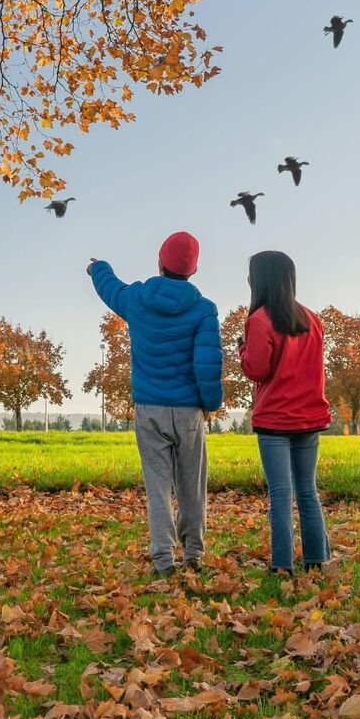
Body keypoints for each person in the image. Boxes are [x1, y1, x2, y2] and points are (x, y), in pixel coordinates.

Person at [87, 234, 223, 576]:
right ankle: (194, 554)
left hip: (150, 410)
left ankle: (164, 560)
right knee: (193, 488)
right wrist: (212, 404)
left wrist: (97, 267)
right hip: (190, 411)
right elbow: (208, 365)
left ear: (160, 262)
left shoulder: (137, 299)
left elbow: (110, 288)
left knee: (158, 489)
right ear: (194, 270)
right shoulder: (204, 309)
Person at [238, 250, 332, 573]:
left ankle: (281, 565)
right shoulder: (312, 320)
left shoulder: (259, 321)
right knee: (307, 490)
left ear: (260, 280)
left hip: (274, 420)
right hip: (309, 417)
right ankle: (317, 560)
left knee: (280, 494)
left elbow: (257, 369)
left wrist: (241, 349)